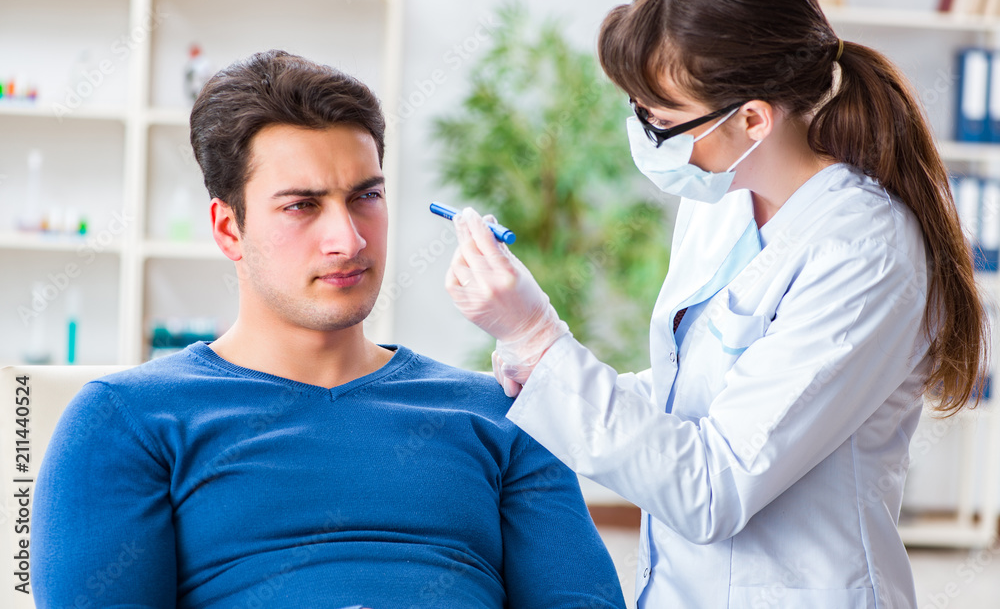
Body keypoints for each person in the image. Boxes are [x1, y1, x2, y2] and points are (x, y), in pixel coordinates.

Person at [444, 0, 989, 608]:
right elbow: (695, 393)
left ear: (753, 119)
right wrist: (541, 367)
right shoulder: (721, 199)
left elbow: (714, 486)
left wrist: (539, 337)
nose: (645, 137)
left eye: (663, 121)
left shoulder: (864, 250)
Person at [32, 50, 626, 609]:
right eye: (302, 205)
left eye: (365, 196)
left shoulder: (503, 415)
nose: (349, 239)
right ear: (228, 229)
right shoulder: (126, 420)